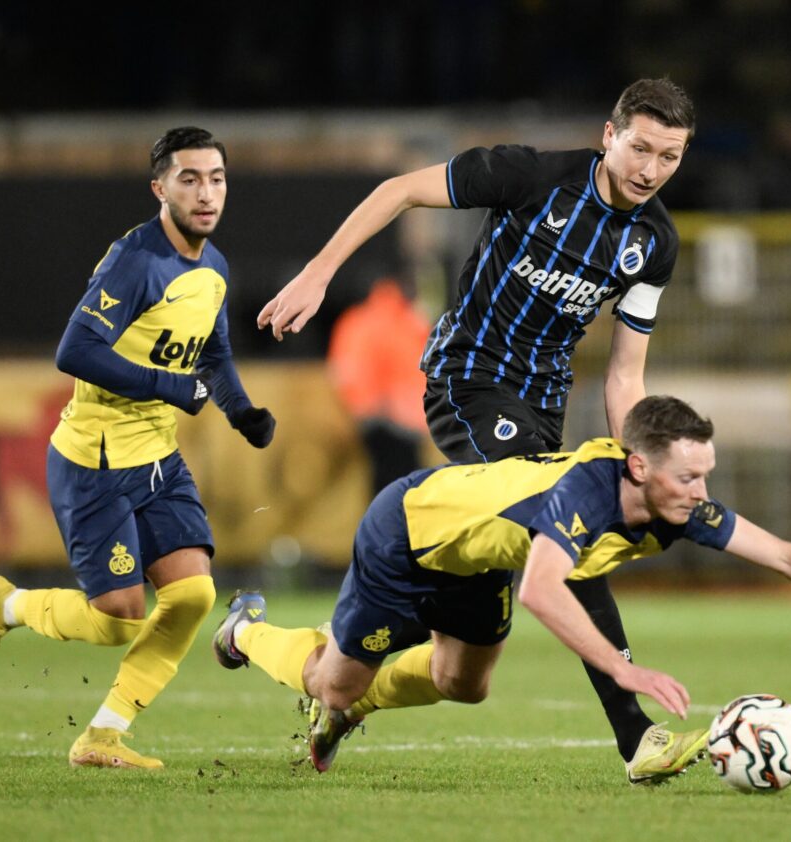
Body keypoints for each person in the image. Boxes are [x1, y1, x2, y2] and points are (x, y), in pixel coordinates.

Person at [258, 78, 699, 783]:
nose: (650, 169)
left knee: (464, 678)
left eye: (669, 157)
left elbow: (624, 376)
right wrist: (319, 273)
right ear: (609, 135)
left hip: (541, 409)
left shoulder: (655, 243)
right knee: (570, 523)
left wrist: (635, 461)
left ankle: (336, 682)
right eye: (640, 148)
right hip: (468, 380)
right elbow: (398, 190)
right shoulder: (531, 175)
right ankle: (635, 735)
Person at [211, 396, 791, 778]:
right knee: (329, 684)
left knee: (466, 684)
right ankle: (245, 630)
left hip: (475, 560)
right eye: (689, 476)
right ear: (639, 468)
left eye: (705, 474)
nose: (701, 491)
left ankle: (353, 703)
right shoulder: (585, 493)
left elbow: (787, 556)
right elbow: (543, 591)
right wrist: (622, 666)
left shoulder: (671, 504)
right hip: (408, 532)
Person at [0, 127, 276, 769]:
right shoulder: (137, 260)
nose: (206, 192)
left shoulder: (212, 268)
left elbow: (212, 353)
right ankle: (5, 604)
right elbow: (75, 351)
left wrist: (242, 412)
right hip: (95, 461)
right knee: (120, 617)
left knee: (192, 597)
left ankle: (102, 735)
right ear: (160, 188)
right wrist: (166, 387)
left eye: (216, 178)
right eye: (190, 179)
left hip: (159, 460)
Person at [327, 275, 431, 494]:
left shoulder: (356, 321)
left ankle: (382, 527)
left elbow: (343, 370)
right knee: (407, 484)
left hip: (371, 417)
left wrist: (361, 407)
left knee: (384, 482)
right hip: (401, 418)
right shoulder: (407, 321)